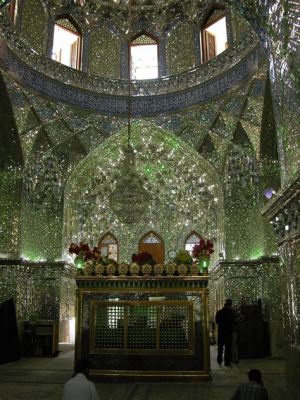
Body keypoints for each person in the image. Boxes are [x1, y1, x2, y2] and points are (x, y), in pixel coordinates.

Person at [215, 299, 235, 366]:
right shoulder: (231, 313)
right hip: (228, 332)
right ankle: (227, 362)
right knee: (228, 348)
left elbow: (217, 321)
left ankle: (219, 360)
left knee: (220, 347)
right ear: (230, 305)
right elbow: (234, 322)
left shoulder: (219, 312)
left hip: (221, 332)